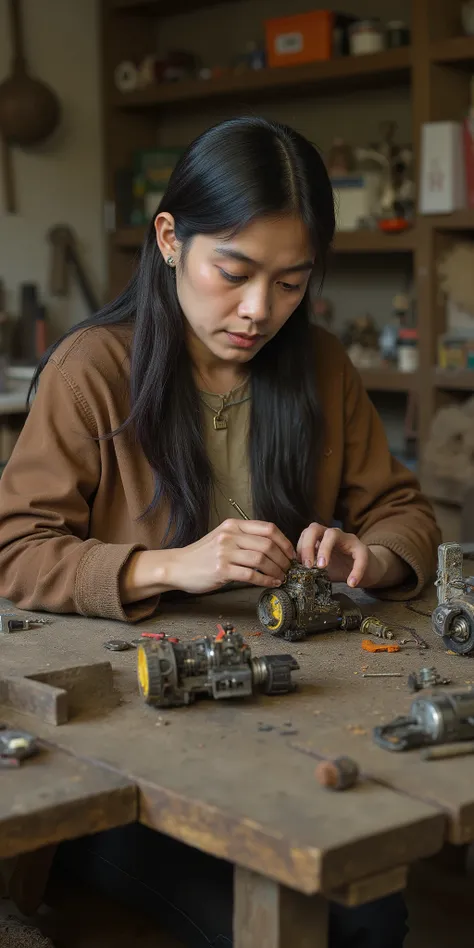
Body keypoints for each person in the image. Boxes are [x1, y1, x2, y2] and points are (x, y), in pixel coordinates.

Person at [0, 117, 439, 946]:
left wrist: (370, 556)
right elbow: (17, 550)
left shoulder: (321, 368)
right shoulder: (93, 369)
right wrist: (172, 566)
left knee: (371, 906)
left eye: (291, 282)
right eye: (233, 273)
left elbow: (405, 513)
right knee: (338, 920)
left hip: (279, 718)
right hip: (124, 748)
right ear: (170, 239)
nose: (258, 310)